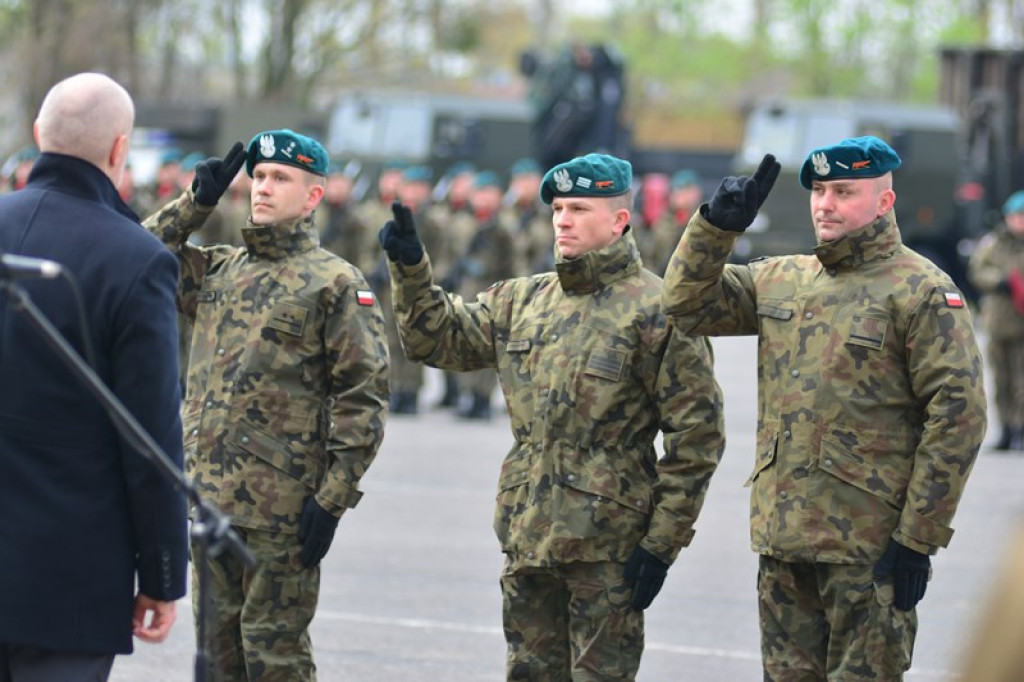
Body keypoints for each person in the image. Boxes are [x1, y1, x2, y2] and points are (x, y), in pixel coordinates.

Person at [378, 152, 725, 680]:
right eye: (558, 208)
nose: (562, 219)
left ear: (619, 219)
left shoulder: (659, 310)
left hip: (607, 547)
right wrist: (410, 270)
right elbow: (437, 339)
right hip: (529, 535)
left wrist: (661, 544)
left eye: (579, 208)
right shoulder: (525, 299)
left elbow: (696, 437)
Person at [662, 137, 988, 680]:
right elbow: (685, 305)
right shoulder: (784, 278)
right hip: (785, 540)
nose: (824, 204)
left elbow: (958, 416)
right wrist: (715, 230)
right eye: (818, 191)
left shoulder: (921, 291)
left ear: (884, 202)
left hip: (869, 551)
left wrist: (918, 538)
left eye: (843, 191)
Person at [143, 129, 390, 681]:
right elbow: (139, 259)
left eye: (280, 178)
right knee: (216, 659)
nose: (263, 188)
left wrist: (331, 500)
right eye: (258, 176)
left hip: (282, 512)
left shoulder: (335, 284)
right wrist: (194, 204)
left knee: (273, 660)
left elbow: (364, 399)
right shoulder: (219, 272)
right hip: (209, 500)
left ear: (313, 196)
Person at [0, 72, 187, 681]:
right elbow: (149, 436)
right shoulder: (135, 258)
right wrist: (162, 573)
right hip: (67, 574)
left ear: (37, 136)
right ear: (118, 149)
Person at [968, 189, 1024, 451]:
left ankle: (1021, 430)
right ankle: (1006, 431)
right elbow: (977, 270)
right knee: (1001, 381)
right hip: (998, 324)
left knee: (1022, 383)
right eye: (1017, 216)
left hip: (1021, 323)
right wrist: (1000, 281)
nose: (1020, 221)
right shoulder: (993, 243)